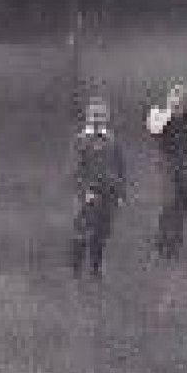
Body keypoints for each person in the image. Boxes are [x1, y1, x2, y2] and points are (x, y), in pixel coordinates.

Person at [145, 81, 187, 259]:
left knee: (182, 203)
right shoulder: (157, 113)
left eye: (181, 97)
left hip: (184, 162)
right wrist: (169, 111)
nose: (178, 100)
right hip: (166, 162)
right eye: (174, 95)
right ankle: (159, 246)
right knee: (168, 202)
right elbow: (154, 129)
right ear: (169, 97)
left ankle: (174, 247)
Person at [70, 96, 127, 279]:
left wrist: (120, 193)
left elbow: (120, 168)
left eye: (101, 115)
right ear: (87, 117)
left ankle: (96, 269)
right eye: (94, 115)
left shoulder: (112, 140)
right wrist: (84, 191)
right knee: (82, 229)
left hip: (109, 192)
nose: (97, 118)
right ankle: (76, 270)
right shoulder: (80, 141)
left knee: (102, 232)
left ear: (107, 117)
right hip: (88, 193)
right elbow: (76, 170)